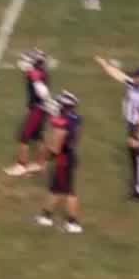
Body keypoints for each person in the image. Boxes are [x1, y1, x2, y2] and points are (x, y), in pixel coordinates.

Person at [97, 57, 139, 199]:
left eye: (137, 77)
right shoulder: (133, 85)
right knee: (135, 158)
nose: (134, 79)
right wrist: (105, 65)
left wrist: (138, 137)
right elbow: (119, 75)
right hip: (133, 125)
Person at [37, 91, 84, 233]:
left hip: (63, 160)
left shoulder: (62, 122)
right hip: (70, 155)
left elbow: (55, 147)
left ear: (64, 106)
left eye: (59, 104)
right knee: (55, 188)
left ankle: (73, 223)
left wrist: (45, 159)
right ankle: (46, 216)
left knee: (69, 192)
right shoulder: (76, 118)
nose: (57, 106)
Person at [4, 50, 53, 177]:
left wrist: (36, 82)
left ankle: (21, 166)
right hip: (41, 108)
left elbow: (42, 92)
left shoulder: (35, 74)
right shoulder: (41, 71)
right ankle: (41, 164)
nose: (26, 62)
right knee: (38, 137)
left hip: (37, 109)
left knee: (24, 137)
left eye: (29, 61)